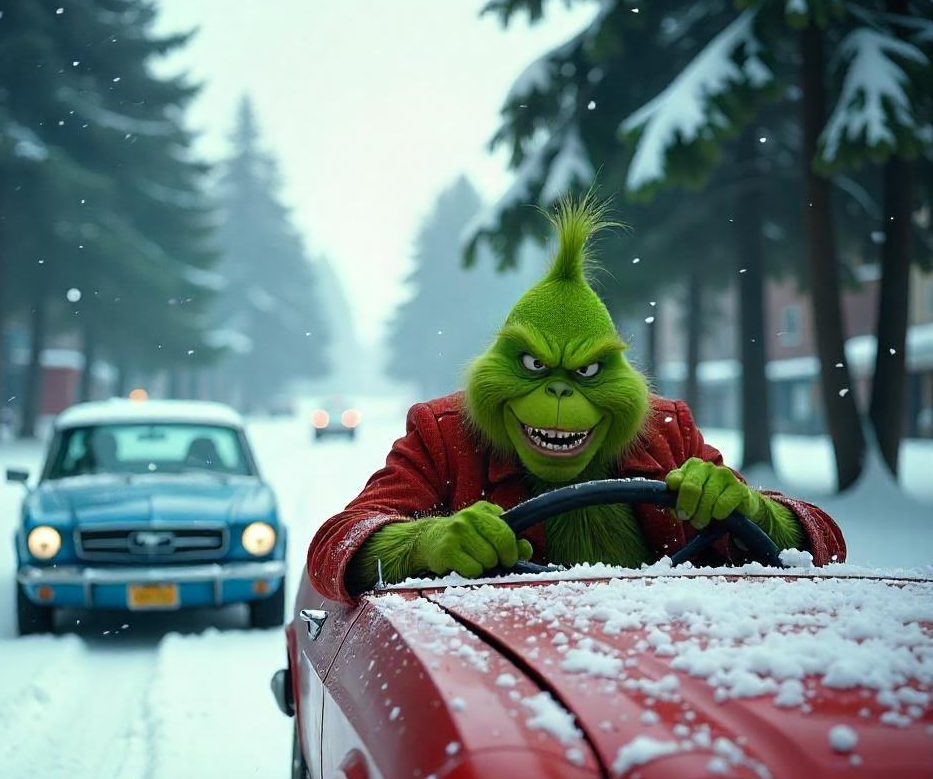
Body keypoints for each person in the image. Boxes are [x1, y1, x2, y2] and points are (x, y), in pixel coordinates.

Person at [308, 195, 845, 603]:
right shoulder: (446, 433)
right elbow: (336, 545)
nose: (561, 394)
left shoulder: (665, 431)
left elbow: (826, 544)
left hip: (662, 663)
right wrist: (426, 545)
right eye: (536, 369)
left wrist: (751, 509)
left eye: (586, 371)